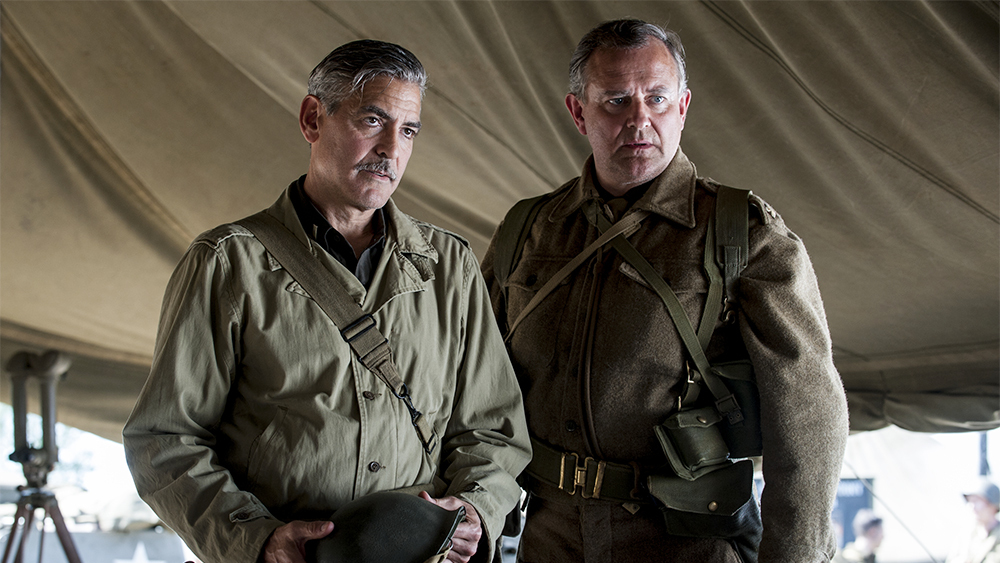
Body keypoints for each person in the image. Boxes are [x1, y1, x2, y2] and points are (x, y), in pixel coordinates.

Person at [123, 39, 531, 563]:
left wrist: (476, 509)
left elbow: (491, 426)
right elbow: (164, 440)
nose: (391, 149)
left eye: (408, 131)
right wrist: (257, 539)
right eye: (372, 121)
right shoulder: (228, 264)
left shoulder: (448, 265)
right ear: (313, 119)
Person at [480, 19, 849, 563]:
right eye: (615, 101)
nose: (639, 120)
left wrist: (795, 556)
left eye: (657, 98)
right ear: (578, 112)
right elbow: (471, 383)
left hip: (686, 541)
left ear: (683, 106)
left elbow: (810, 415)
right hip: (549, 536)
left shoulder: (742, 233)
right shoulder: (528, 229)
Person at [947, 479, 1000, 563]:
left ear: (992, 504)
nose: (971, 506)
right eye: (969, 501)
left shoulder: (997, 536)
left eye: (976, 501)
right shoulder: (966, 534)